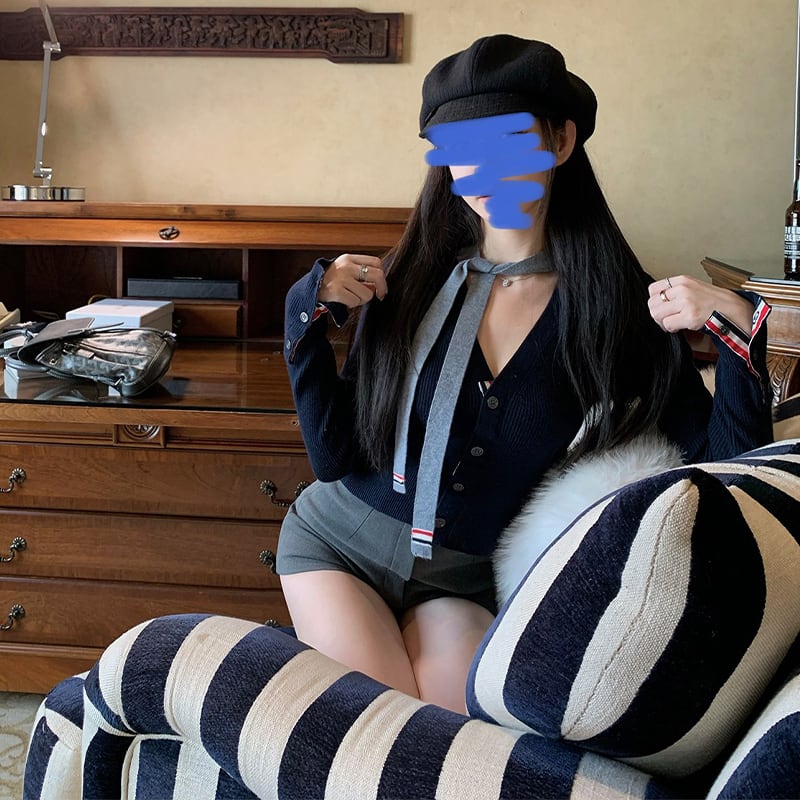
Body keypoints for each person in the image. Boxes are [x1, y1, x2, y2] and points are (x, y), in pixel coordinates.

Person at [277, 34, 773, 714]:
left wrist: (739, 331)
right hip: (338, 546)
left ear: (560, 142)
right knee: (377, 729)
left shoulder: (617, 310)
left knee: (454, 740)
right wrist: (305, 315)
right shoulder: (405, 280)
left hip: (464, 580)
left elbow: (727, 473)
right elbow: (332, 458)